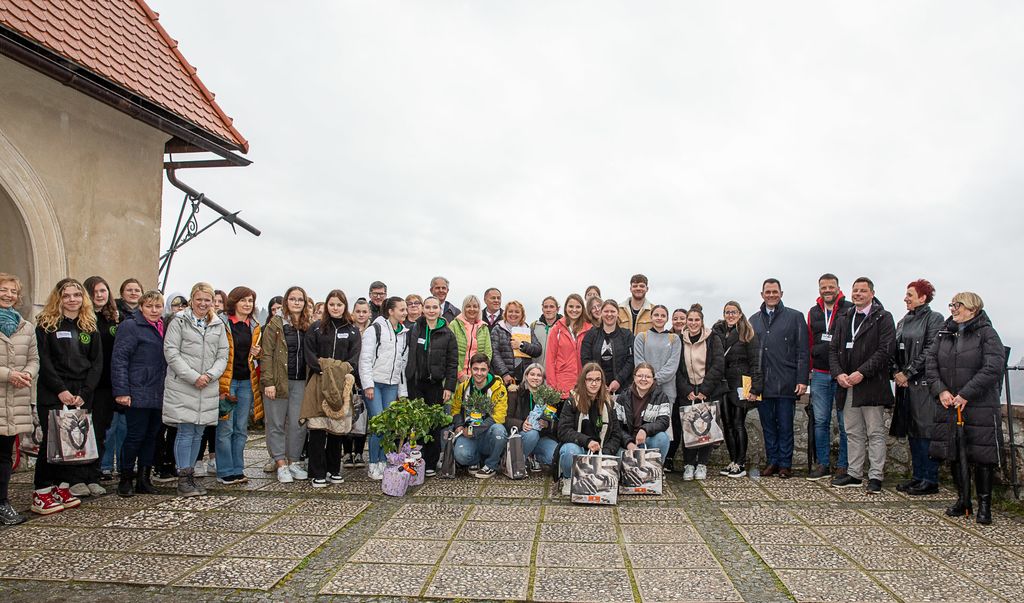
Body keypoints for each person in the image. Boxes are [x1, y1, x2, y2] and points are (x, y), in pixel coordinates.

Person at [928, 292, 1004, 525]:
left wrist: (966, 394)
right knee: (954, 453)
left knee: (982, 457)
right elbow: (931, 364)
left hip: (979, 405)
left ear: (972, 308)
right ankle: (963, 500)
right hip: (950, 404)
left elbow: (993, 367)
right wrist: (941, 390)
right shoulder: (944, 332)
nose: (953, 309)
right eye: (952, 305)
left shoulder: (987, 334)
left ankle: (984, 506)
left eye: (958, 305)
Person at [32, 278, 103, 514]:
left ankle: (61, 486)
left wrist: (85, 392)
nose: (72, 299)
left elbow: (97, 363)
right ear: (59, 298)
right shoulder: (46, 325)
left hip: (81, 394)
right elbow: (44, 361)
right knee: (51, 443)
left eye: (77, 295)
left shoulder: (89, 325)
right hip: (54, 392)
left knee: (72, 444)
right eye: (66, 295)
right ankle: (42, 491)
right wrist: (60, 390)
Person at [828, 277, 896, 494]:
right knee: (852, 432)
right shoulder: (844, 317)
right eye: (855, 290)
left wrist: (862, 373)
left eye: (863, 290)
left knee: (875, 432)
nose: (858, 294)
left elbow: (885, 350)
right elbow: (833, 350)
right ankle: (855, 474)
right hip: (847, 384)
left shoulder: (883, 317)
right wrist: (838, 373)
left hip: (871, 384)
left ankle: (875, 476)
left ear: (872, 294)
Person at [163, 282, 229, 497]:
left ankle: (190, 475)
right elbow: (171, 352)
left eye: (207, 300)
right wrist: (193, 377)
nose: (203, 303)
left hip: (207, 385)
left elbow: (223, 355)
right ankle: (183, 478)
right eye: (199, 299)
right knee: (185, 431)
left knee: (198, 432)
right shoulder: (179, 321)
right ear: (191, 300)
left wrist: (209, 375)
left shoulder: (218, 324)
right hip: (184, 384)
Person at [749, 279, 808, 479]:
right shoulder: (754, 320)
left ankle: (785, 464)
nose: (771, 295)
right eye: (768, 292)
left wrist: (802, 379)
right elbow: (751, 354)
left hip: (786, 381)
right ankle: (772, 461)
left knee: (785, 425)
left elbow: (803, 351)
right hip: (762, 383)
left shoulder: (795, 317)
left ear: (781, 293)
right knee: (767, 426)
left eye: (775, 291)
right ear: (762, 294)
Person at [110, 290, 166, 497]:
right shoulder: (131, 326)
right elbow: (119, 359)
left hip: (159, 392)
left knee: (152, 437)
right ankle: (125, 478)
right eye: (149, 306)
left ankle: (144, 478)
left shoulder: (164, 326)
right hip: (137, 390)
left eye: (158, 306)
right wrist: (122, 391)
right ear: (141, 307)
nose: (154, 310)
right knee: (135, 436)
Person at [302, 290, 361, 487]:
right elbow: (309, 354)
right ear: (327, 305)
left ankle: (333, 469)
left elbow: (354, 358)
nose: (335, 308)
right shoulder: (316, 328)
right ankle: (317, 472)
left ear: (345, 307)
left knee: (337, 429)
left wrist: (338, 372)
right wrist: (323, 369)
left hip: (342, 384)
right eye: (332, 304)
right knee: (318, 428)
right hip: (318, 381)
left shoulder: (352, 331)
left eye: (339, 304)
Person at [893, 279, 944, 496]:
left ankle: (930, 479)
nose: (905, 298)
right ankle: (917, 476)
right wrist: (896, 372)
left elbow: (931, 350)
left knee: (925, 432)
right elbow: (894, 349)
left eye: (910, 295)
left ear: (923, 298)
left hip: (923, 385)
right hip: (905, 386)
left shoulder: (934, 319)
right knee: (912, 432)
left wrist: (908, 372)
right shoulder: (903, 321)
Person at [261, 286, 312, 484]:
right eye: (292, 299)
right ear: (286, 302)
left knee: (298, 424)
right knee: (276, 423)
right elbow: (266, 354)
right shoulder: (275, 324)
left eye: (300, 299)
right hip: (278, 381)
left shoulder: (308, 325)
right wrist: (268, 382)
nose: (296, 302)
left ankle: (293, 461)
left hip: (301, 381)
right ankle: (280, 463)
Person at [806, 273, 853, 481]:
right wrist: (808, 369)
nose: (827, 290)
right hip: (819, 374)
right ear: (819, 289)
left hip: (842, 375)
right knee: (820, 421)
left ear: (838, 288)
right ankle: (823, 464)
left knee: (844, 423)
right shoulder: (814, 312)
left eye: (831, 287)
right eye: (823, 287)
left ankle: (843, 465)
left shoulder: (849, 309)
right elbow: (809, 341)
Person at [214, 287, 262, 485]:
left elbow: (257, 357)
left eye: (250, 301)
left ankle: (238, 468)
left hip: (246, 382)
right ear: (234, 302)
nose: (247, 304)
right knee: (225, 427)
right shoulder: (222, 323)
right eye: (243, 300)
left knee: (241, 428)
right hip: (227, 381)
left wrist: (258, 352)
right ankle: (225, 470)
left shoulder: (255, 326)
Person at [406, 296, 458, 477]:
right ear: (422, 309)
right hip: (416, 383)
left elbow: (452, 363)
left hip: (436, 385)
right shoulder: (414, 329)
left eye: (434, 307)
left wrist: (449, 387)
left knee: (434, 425)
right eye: (427, 307)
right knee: (418, 423)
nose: (431, 310)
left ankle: (430, 462)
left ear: (439, 310)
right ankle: (417, 460)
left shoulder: (448, 334)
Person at [0, 273, 38, 524]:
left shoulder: (26, 327)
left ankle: (2, 502)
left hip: (14, 402)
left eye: (13, 291)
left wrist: (27, 373)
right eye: (3, 290)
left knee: (5, 456)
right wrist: (8, 374)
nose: (9, 295)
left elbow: (34, 359)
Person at [359, 296, 410, 480]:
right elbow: (365, 359)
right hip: (375, 384)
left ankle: (383, 461)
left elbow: (402, 365)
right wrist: (368, 385)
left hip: (391, 385)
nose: (405, 312)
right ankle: (373, 464)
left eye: (405, 309)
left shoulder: (404, 333)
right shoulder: (375, 330)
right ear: (391, 311)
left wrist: (402, 392)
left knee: (388, 426)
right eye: (402, 309)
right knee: (378, 424)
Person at [555, 363, 625, 495]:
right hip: (580, 447)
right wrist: (587, 442)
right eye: (590, 380)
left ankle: (604, 480)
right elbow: (563, 431)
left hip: (602, 447)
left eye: (597, 380)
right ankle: (569, 478)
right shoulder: (572, 401)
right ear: (584, 381)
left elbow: (616, 433)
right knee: (570, 450)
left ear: (602, 382)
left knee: (624, 457)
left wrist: (605, 452)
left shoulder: (609, 403)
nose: (594, 384)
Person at [676, 304, 726, 480]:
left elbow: (718, 364)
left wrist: (705, 389)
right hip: (688, 390)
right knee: (688, 428)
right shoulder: (679, 339)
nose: (693, 323)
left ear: (702, 321)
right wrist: (686, 390)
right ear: (686, 321)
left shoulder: (713, 338)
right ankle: (689, 465)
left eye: (697, 320)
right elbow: (676, 367)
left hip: (707, 390)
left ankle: (702, 464)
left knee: (706, 427)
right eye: (690, 319)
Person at [713, 301, 762, 478]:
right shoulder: (718, 332)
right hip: (723, 382)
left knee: (738, 423)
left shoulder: (747, 333)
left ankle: (740, 463)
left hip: (741, 382)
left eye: (734, 312)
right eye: (727, 312)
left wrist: (756, 388)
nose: (730, 315)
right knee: (727, 424)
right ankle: (733, 461)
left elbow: (756, 362)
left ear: (740, 314)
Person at [633, 305, 681, 469]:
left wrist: (653, 379)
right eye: (656, 315)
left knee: (663, 431)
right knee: (641, 426)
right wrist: (646, 380)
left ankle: (657, 467)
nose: (659, 318)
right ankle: (639, 465)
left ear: (667, 318)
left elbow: (672, 365)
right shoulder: (642, 337)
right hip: (643, 391)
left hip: (666, 391)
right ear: (651, 317)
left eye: (663, 315)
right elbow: (639, 361)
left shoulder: (674, 339)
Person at [84, 276, 120, 485]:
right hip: (87, 383)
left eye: (103, 291)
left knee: (101, 431)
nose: (99, 295)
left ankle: (94, 474)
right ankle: (79, 476)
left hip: (107, 383)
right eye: (94, 292)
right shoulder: (84, 319)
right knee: (84, 431)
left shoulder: (114, 318)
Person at [450, 353, 509, 478]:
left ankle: (491, 465)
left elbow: (500, 416)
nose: (479, 373)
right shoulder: (463, 387)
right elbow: (456, 409)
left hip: (487, 433)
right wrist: (459, 425)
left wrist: (475, 430)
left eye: (483, 370)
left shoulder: (498, 388)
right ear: (470, 369)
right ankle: (475, 460)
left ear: (488, 370)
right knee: (461, 456)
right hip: (468, 432)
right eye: (475, 369)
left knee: (499, 431)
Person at [504, 363, 559, 471]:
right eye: (532, 374)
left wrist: (548, 424)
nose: (535, 378)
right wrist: (521, 424)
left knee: (554, 455)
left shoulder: (548, 396)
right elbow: (506, 419)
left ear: (543, 379)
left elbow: (557, 422)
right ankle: (516, 462)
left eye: (539, 375)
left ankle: (534, 458)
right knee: (532, 434)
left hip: (542, 437)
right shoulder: (515, 393)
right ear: (526, 376)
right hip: (523, 436)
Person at [615, 363, 671, 463]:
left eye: (648, 377)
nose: (643, 379)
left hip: (648, 440)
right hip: (626, 442)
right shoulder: (623, 397)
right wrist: (629, 443)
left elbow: (664, 421)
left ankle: (655, 469)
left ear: (653, 379)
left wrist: (644, 430)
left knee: (662, 438)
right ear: (634, 377)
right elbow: (616, 426)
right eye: (640, 376)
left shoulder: (661, 397)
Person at [341, 298, 372, 468]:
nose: (361, 315)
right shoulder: (347, 329)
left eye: (364, 311)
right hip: (348, 377)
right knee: (347, 414)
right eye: (358, 311)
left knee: (362, 416)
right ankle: (347, 452)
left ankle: (359, 452)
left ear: (369, 313)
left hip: (365, 378)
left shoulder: (373, 330)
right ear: (353, 313)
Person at [581, 299, 634, 394]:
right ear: (601, 313)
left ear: (618, 313)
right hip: (596, 388)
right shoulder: (591, 335)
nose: (609, 314)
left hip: (622, 388)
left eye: (613, 311)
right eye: (606, 311)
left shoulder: (627, 335)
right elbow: (585, 359)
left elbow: (631, 360)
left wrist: (618, 380)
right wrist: (599, 382)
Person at [545, 294, 592, 396]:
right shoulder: (556, 329)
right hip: (562, 384)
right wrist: (552, 387)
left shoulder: (590, 329)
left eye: (578, 307)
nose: (574, 310)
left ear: (582, 309)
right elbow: (550, 360)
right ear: (565, 308)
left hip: (585, 383)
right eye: (571, 306)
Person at [490, 300, 541, 386]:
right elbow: (495, 353)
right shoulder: (497, 329)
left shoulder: (527, 329)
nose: (513, 314)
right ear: (505, 313)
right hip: (505, 378)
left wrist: (521, 345)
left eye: (517, 312)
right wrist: (504, 373)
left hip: (525, 377)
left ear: (522, 315)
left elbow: (538, 350)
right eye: (510, 311)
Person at [450, 295, 492, 381]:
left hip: (477, 378)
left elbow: (488, 353)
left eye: (475, 306)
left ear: (479, 309)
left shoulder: (484, 328)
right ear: (463, 308)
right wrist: (460, 374)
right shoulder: (454, 325)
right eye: (468, 306)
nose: (472, 309)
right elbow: (449, 352)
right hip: (455, 377)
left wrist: (479, 373)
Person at [530, 296, 561, 369]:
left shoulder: (564, 327)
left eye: (551, 307)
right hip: (536, 372)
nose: (548, 310)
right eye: (546, 307)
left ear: (557, 309)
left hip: (556, 371)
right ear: (542, 309)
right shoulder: (533, 326)